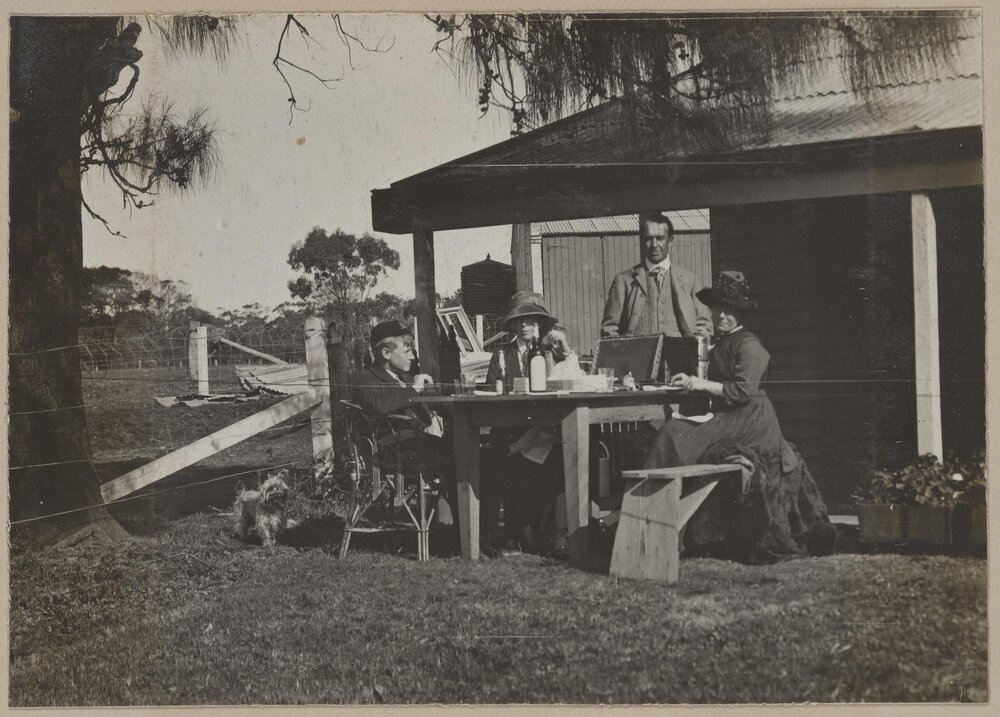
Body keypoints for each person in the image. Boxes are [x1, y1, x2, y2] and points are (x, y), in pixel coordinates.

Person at [643, 270, 838, 562]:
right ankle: (650, 521)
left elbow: (743, 391)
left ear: (741, 313)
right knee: (672, 433)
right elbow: (716, 375)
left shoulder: (749, 344)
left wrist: (702, 383)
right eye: (718, 308)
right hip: (731, 416)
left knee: (675, 434)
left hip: (752, 421)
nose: (721, 315)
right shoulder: (724, 341)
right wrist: (691, 377)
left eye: (729, 310)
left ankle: (659, 524)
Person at [483, 291, 568, 555]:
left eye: (530, 320)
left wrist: (563, 355)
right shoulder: (501, 355)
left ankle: (553, 533)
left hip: (545, 432)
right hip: (510, 432)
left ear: (539, 323)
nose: (525, 325)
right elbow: (490, 392)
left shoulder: (552, 353)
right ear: (512, 325)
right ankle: (514, 534)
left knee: (558, 457)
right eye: (519, 321)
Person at [600, 212, 713, 339]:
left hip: (680, 356)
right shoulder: (624, 281)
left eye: (660, 238)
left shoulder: (690, 280)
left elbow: (704, 326)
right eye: (649, 238)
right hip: (638, 357)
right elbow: (610, 330)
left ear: (670, 241)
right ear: (642, 240)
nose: (654, 245)